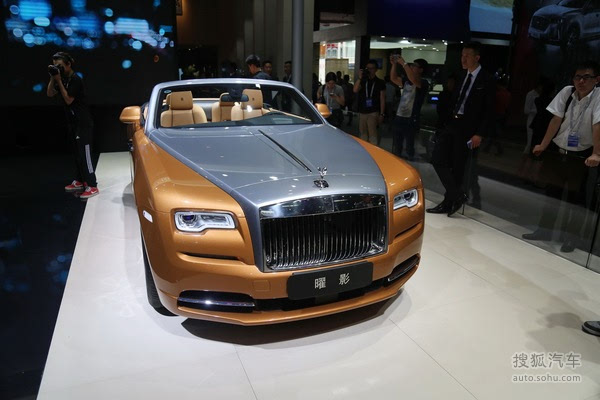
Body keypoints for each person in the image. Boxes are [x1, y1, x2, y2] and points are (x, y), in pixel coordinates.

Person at [522, 60, 600, 254]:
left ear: (596, 80)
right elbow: (556, 120)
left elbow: (597, 126)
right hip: (558, 151)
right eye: (577, 77)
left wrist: (596, 153)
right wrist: (543, 145)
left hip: (581, 156)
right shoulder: (567, 92)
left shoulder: (598, 97)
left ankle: (571, 238)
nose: (581, 81)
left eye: (586, 77)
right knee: (552, 194)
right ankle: (545, 230)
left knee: (576, 200)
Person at [427, 41, 495, 216]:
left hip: (468, 128)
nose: (463, 59)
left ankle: (449, 202)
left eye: (467, 56)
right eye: (462, 55)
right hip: (452, 124)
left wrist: (479, 133)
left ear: (477, 57)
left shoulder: (486, 79)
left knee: (458, 166)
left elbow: (489, 110)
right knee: (437, 159)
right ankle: (457, 195)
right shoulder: (462, 75)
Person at [46, 51, 99, 200]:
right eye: (55, 66)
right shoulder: (62, 79)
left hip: (83, 123)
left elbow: (69, 99)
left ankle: (92, 185)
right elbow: (50, 93)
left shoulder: (76, 80)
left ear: (68, 64)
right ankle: (80, 181)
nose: (58, 69)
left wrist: (59, 81)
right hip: (73, 123)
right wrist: (53, 78)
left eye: (60, 66)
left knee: (85, 154)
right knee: (77, 154)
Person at [389, 56, 429, 160]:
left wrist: (404, 64)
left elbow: (414, 80)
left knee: (410, 145)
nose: (411, 67)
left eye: (414, 66)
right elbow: (393, 78)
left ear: (421, 70)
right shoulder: (407, 80)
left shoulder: (423, 82)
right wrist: (394, 65)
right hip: (400, 115)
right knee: (397, 144)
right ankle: (397, 160)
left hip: (411, 118)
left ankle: (410, 163)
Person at [353, 59, 386, 145]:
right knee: (363, 134)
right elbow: (355, 90)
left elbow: (382, 98)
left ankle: (373, 150)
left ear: (376, 69)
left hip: (373, 111)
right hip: (362, 111)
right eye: (368, 68)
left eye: (372, 68)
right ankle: (364, 149)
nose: (369, 70)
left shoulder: (380, 82)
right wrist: (360, 78)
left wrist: (382, 114)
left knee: (373, 135)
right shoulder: (363, 81)